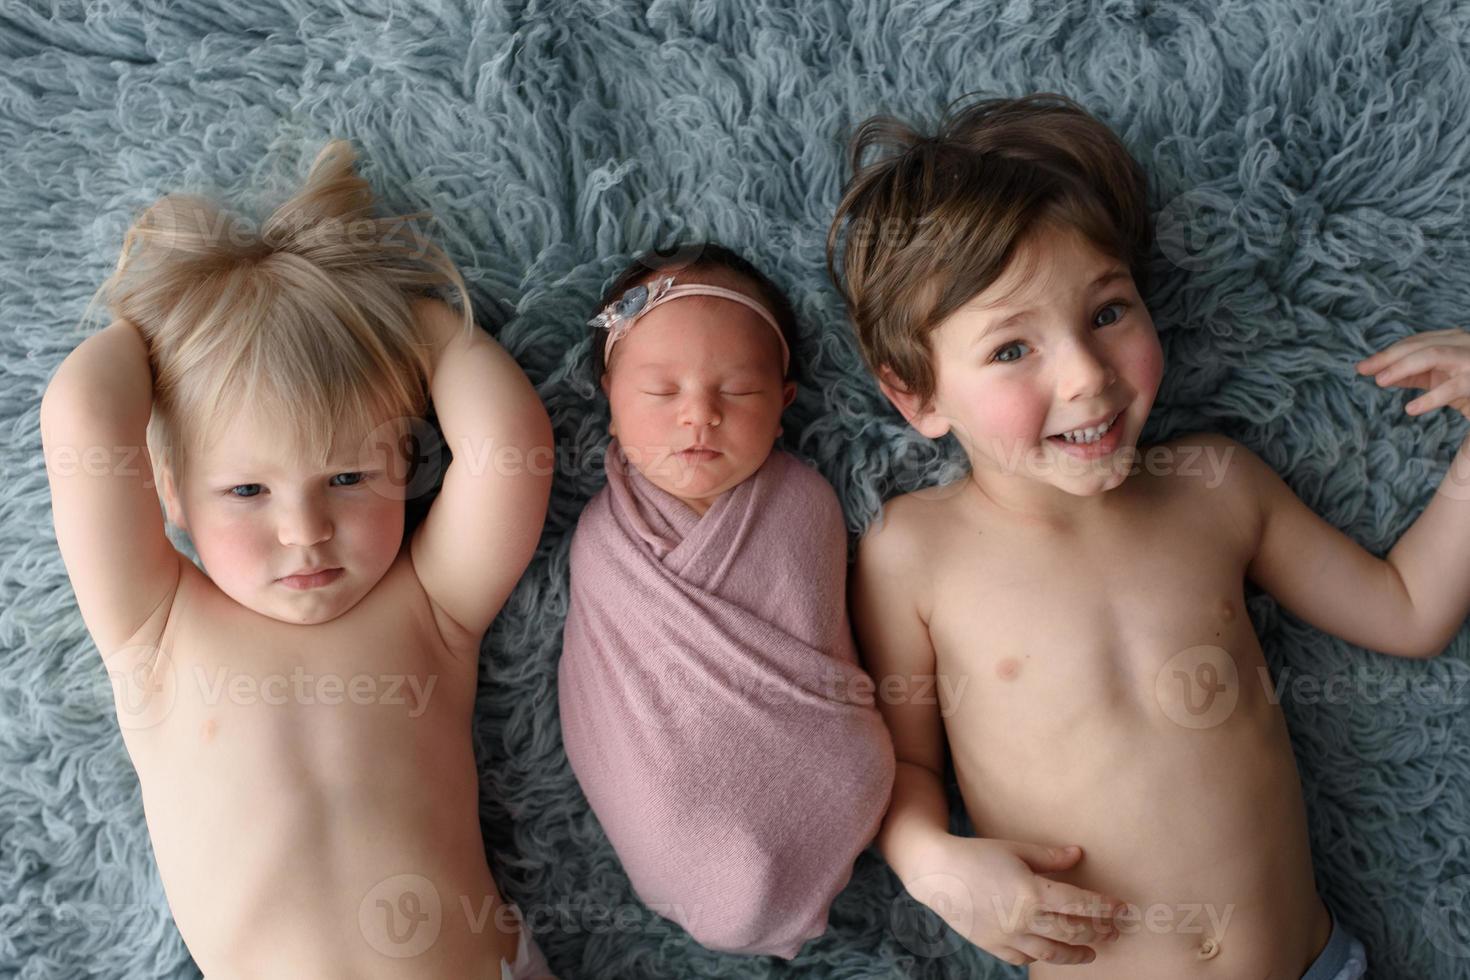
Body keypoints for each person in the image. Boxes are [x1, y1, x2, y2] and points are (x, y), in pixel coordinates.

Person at [826, 92, 1464, 978]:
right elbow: (900, 764)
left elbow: (1408, 611)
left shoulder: (1215, 488)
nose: (1087, 377)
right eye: (1013, 349)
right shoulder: (915, 554)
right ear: (917, 397)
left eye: (1108, 312)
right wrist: (930, 861)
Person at [40, 140, 556, 978]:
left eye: (347, 477)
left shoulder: (430, 608)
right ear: (169, 494)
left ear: (403, 466)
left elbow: (508, 447)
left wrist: (399, 325)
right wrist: (170, 325)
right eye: (246, 491)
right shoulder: (153, 629)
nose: (305, 529)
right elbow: (83, 417)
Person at [557, 244, 895, 958]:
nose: (700, 416)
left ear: (783, 406)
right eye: (661, 391)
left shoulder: (806, 504)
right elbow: (609, 704)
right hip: (667, 801)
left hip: (818, 767)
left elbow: (827, 650)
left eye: (738, 391)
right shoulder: (600, 540)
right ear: (610, 401)